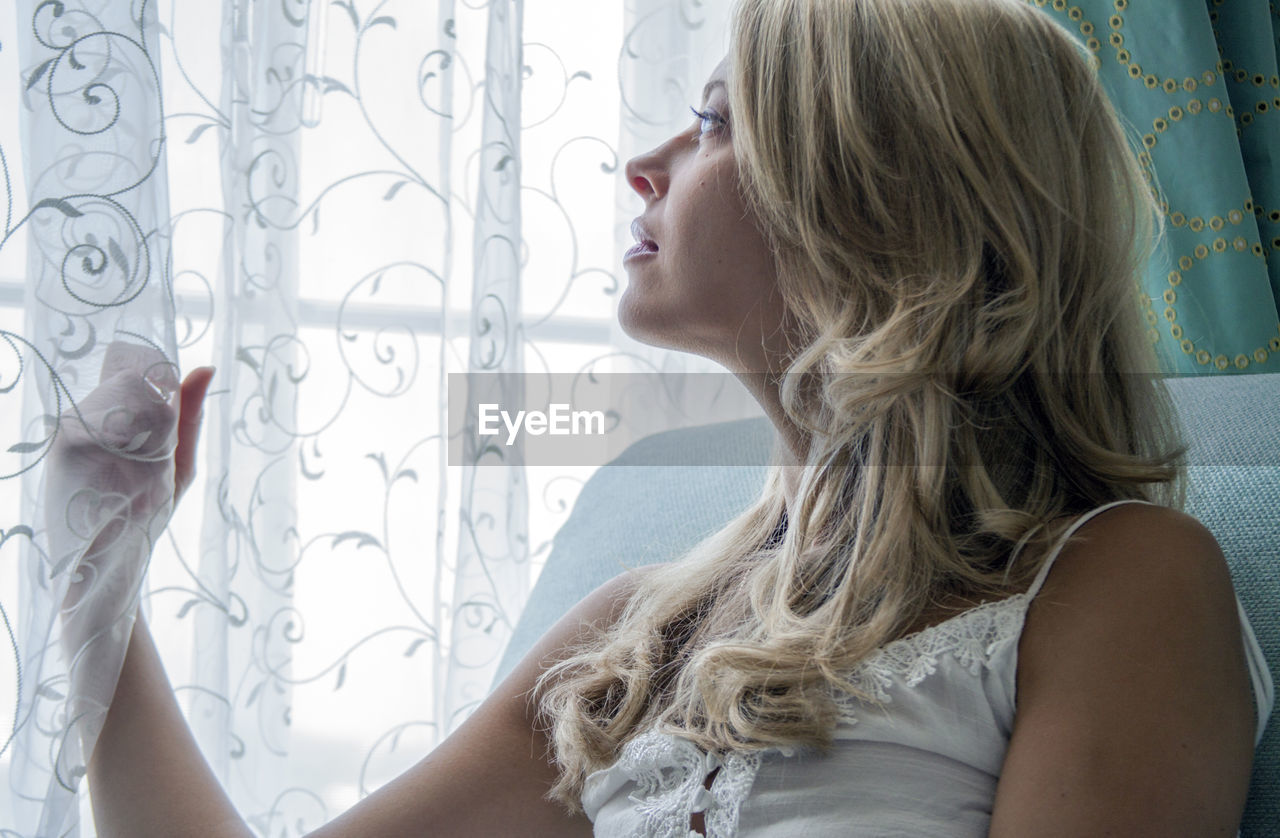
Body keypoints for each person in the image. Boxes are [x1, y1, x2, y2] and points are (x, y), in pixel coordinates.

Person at [74, 0, 1271, 835]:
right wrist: (99, 573)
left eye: (711, 124)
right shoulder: (635, 634)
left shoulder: (1118, 581)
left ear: (874, 197)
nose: (644, 165)